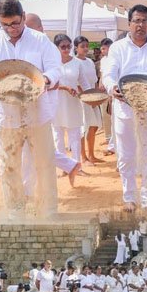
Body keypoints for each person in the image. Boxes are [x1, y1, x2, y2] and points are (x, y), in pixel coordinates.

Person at [0, 0, 61, 220]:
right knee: (8, 166)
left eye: (15, 23)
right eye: (5, 25)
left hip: (37, 112)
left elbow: (54, 67)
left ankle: (47, 210)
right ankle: (15, 212)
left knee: (45, 163)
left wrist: (46, 80)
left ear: (23, 16)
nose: (11, 29)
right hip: (6, 115)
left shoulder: (40, 40)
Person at [103, 4, 147, 212]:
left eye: (144, 21)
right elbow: (109, 74)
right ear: (129, 24)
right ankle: (129, 197)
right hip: (125, 108)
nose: (140, 25)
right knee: (126, 154)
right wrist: (112, 87)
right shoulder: (117, 48)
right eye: (136, 21)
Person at [51, 34, 86, 186]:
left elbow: (83, 83)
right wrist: (64, 87)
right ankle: (64, 167)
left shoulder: (78, 63)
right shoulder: (51, 63)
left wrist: (86, 94)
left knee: (74, 136)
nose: (66, 49)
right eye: (63, 47)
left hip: (72, 103)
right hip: (55, 103)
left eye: (68, 46)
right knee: (57, 135)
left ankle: (77, 165)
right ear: (56, 48)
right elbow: (45, 83)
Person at [75, 36, 102, 166]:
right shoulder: (74, 62)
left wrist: (97, 96)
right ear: (76, 48)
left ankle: (91, 155)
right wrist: (85, 97)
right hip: (82, 99)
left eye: (86, 46)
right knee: (83, 127)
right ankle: (83, 157)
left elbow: (94, 80)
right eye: (82, 46)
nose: (85, 48)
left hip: (93, 98)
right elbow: (77, 82)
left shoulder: (90, 62)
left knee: (94, 126)